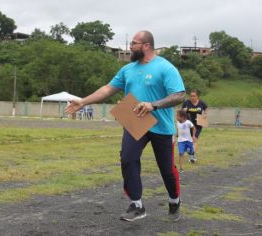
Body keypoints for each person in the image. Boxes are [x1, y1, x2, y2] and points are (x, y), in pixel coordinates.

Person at [66, 30, 185, 222]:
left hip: (161, 124)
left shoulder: (166, 68)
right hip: (135, 120)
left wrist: (152, 105)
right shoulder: (128, 69)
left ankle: (174, 200)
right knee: (128, 158)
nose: (130, 47)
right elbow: (108, 89)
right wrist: (83, 102)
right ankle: (137, 205)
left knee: (166, 169)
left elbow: (179, 95)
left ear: (146, 45)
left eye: (134, 44)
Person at [182, 89, 207, 154]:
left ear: (197, 96)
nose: (192, 97)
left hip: (199, 124)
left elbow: (205, 108)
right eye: (191, 96)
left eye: (194, 96)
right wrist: (184, 110)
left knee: (195, 138)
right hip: (189, 124)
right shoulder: (186, 103)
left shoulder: (201, 103)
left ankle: (192, 155)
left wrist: (204, 114)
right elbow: (182, 112)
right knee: (190, 139)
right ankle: (189, 150)